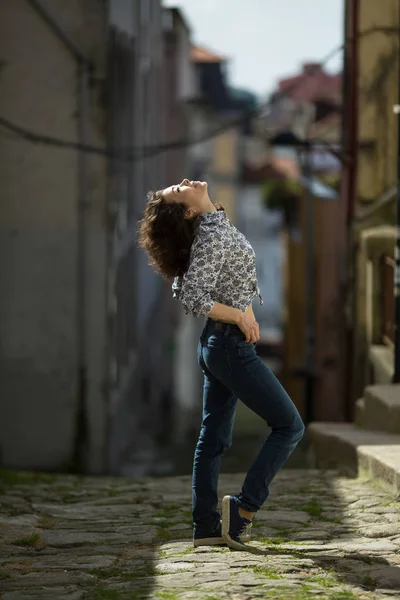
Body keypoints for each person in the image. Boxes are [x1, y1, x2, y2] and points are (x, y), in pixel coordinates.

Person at [138, 179, 305, 551]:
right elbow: (193, 296)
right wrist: (241, 318)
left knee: (212, 440)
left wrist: (244, 310)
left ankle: (206, 527)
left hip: (219, 344)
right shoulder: (212, 235)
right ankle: (243, 510)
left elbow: (190, 285)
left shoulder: (213, 227)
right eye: (178, 191)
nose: (184, 183)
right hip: (228, 346)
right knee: (289, 426)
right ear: (188, 210)